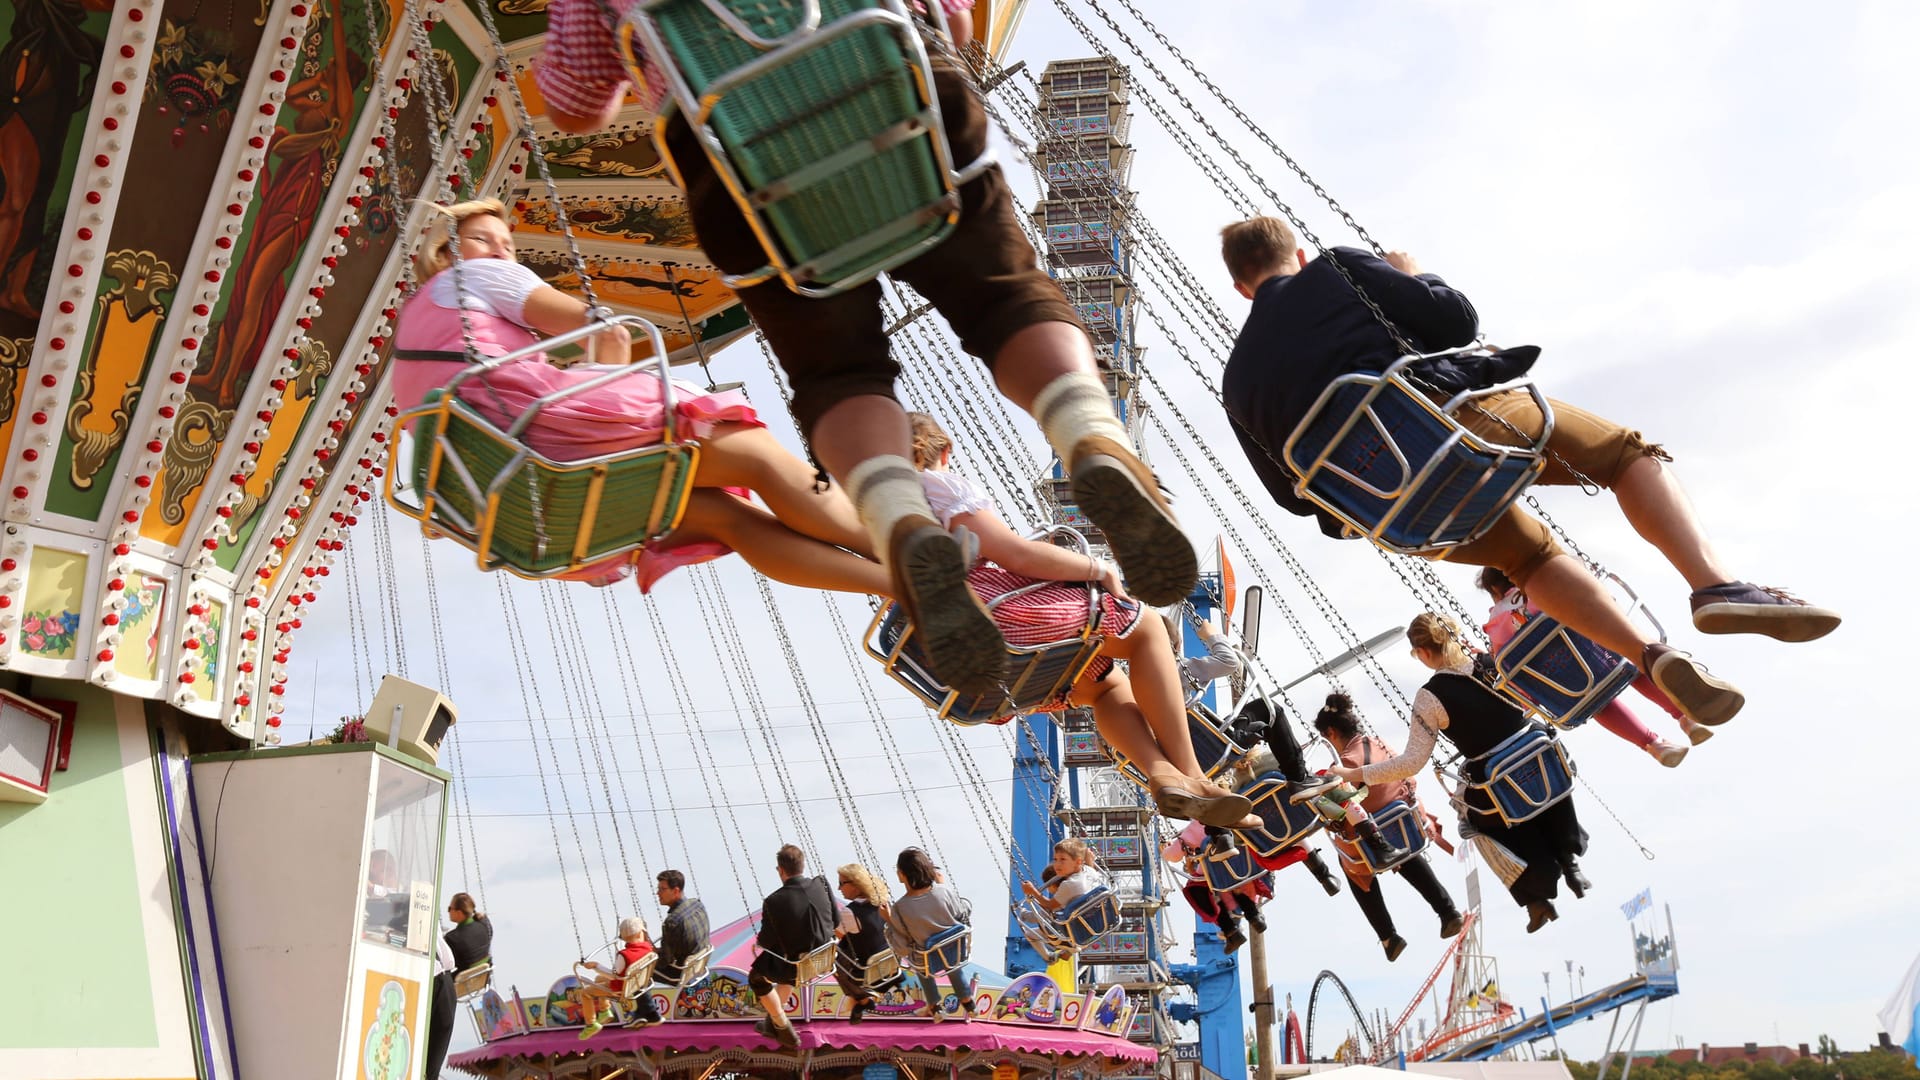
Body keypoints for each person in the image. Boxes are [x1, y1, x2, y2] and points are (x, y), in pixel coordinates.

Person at [536, 1, 1199, 697]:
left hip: (737, 154)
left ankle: (902, 521)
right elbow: (962, 24)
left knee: (838, 371)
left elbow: (576, 104)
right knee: (1005, 296)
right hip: (893, 91)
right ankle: (1089, 433)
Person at [1216, 217, 1840, 730]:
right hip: (1459, 428)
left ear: (1242, 288)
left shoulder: (1237, 382)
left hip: (1402, 514)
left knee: (1529, 560)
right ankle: (1717, 587)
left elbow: (1291, 498)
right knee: (1626, 454)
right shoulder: (1336, 268)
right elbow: (1455, 321)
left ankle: (1650, 655)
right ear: (1296, 253)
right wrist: (1408, 275)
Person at [392, 198, 892, 600]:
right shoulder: (473, 274)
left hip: (502, 496)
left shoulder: (409, 340)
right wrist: (604, 380)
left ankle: (897, 590)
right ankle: (910, 556)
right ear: (446, 252)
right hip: (550, 440)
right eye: (482, 240)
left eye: (507, 244)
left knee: (727, 518)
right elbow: (604, 331)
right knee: (757, 456)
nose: (502, 253)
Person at [906, 413, 1257, 829]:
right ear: (944, 451)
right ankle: (1194, 776)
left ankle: (1163, 774)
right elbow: (1013, 554)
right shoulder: (935, 486)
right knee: (1145, 627)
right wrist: (1096, 569)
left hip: (946, 663)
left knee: (1105, 686)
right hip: (1000, 622)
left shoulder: (877, 514)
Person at [1329, 614, 1589, 934]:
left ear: (1423, 653)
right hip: (1539, 750)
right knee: (1544, 779)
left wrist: (1356, 775)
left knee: (1475, 823)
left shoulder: (1430, 697)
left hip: (1495, 776)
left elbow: (1411, 763)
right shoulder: (1491, 661)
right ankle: (1570, 861)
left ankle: (1535, 899)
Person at [1477, 567, 1705, 767]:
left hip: (1567, 685)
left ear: (1496, 591)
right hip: (1598, 654)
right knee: (1630, 667)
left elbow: (1506, 663)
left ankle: (1653, 744)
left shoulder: (1496, 622)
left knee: (1595, 704)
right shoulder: (1538, 586)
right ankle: (1685, 717)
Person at [1311, 694, 1465, 962]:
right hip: (1408, 825)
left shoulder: (1345, 765)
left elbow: (1332, 808)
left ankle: (1388, 936)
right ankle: (1447, 910)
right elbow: (1410, 778)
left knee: (1351, 865)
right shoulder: (1382, 746)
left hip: (1371, 841)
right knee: (1404, 853)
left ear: (1331, 733)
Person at [750, 844, 836, 1047]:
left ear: (780, 870)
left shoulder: (774, 901)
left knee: (757, 976)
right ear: (802, 865)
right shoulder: (822, 884)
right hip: (824, 957)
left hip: (798, 963)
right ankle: (771, 1022)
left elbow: (766, 941)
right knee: (787, 967)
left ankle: (781, 1022)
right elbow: (836, 920)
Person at [885, 847, 977, 1020]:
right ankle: (967, 1000)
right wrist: (943, 887)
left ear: (903, 875)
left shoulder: (900, 908)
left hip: (926, 961)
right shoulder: (944, 891)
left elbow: (902, 946)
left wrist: (889, 920)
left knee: (920, 955)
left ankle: (934, 1006)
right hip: (956, 951)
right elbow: (962, 911)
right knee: (948, 952)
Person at [1161, 819, 1269, 954]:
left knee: (1197, 888)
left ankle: (1230, 930)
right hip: (1248, 874)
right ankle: (1253, 915)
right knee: (1233, 883)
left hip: (1220, 882)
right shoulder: (1241, 815)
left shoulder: (1194, 830)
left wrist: (1165, 849)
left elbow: (1173, 855)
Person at [1015, 838, 1108, 963]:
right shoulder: (1090, 872)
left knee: (1031, 933)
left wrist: (1032, 892)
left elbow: (1049, 905)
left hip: (1072, 932)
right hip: (1097, 922)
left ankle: (1049, 957)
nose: (1057, 864)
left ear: (1078, 862)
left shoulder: (1069, 885)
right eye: (1056, 859)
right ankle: (1070, 950)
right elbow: (1088, 869)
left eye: (1063, 860)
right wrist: (1089, 860)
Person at [573, 915, 664, 1040]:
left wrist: (595, 965)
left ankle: (591, 1024)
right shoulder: (648, 949)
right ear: (639, 934)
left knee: (585, 993)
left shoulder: (624, 956)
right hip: (637, 983)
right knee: (599, 979)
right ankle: (605, 1010)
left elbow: (613, 974)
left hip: (620, 988)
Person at [831, 864, 896, 1024]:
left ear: (855, 885)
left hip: (866, 969)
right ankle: (862, 1003)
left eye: (841, 884)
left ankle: (863, 1000)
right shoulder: (882, 903)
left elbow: (836, 934)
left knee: (831, 962)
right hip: (889, 960)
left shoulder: (850, 912)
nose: (839, 889)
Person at [654, 869, 710, 987]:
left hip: (682, 972)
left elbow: (665, 961)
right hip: (700, 964)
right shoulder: (697, 904)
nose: (658, 893)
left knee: (640, 969)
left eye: (662, 889)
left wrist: (648, 953)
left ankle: (646, 1006)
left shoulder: (672, 922)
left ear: (676, 891)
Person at [444, 892, 493, 974]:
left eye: (450, 908)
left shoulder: (452, 938)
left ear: (459, 912)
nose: (448, 912)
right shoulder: (484, 924)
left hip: (462, 984)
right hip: (482, 978)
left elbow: (448, 963)